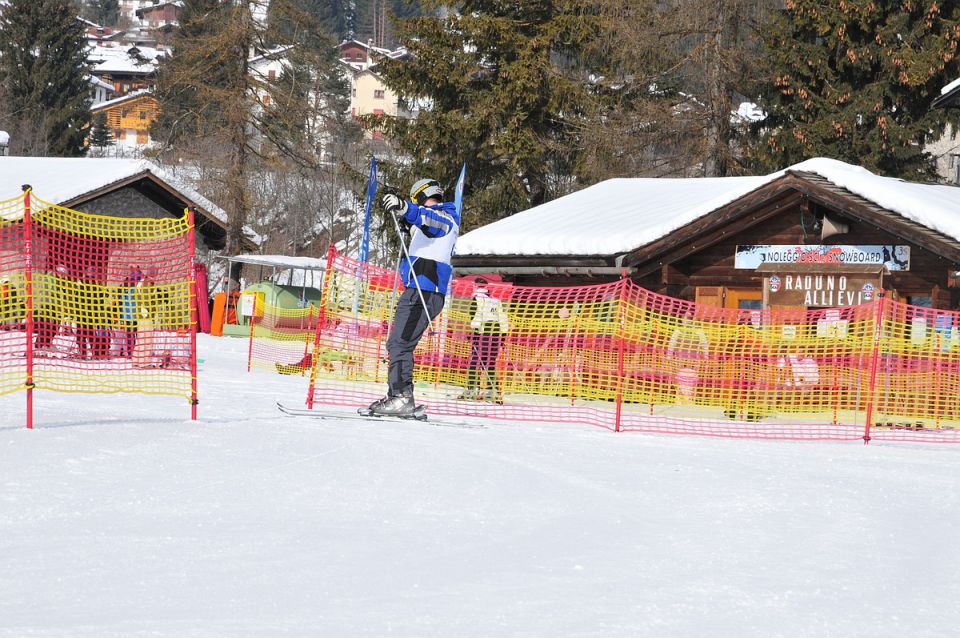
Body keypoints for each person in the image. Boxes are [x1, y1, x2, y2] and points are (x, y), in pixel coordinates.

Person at [367, 178, 460, 416]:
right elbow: (421, 224)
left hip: (424, 291)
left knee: (400, 343)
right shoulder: (430, 220)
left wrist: (405, 207)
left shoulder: (445, 218)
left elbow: (429, 220)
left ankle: (400, 397)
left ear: (420, 196)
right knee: (398, 343)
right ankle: (399, 395)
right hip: (420, 290)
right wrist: (405, 217)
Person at [459, 277, 510, 402]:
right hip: (496, 331)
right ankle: (492, 391)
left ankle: (471, 390)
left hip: (484, 331)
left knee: (475, 361)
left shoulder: (477, 299)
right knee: (490, 362)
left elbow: (476, 316)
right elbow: (502, 318)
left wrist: (475, 332)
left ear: (475, 287)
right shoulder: (495, 301)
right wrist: (503, 336)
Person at [666, 310, 709, 404]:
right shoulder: (679, 331)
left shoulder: (698, 331)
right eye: (685, 318)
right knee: (680, 378)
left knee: (691, 379)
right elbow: (671, 345)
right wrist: (668, 358)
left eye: (688, 318)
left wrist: (706, 359)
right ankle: (681, 399)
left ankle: (689, 399)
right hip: (680, 360)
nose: (687, 320)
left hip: (693, 361)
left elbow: (704, 345)